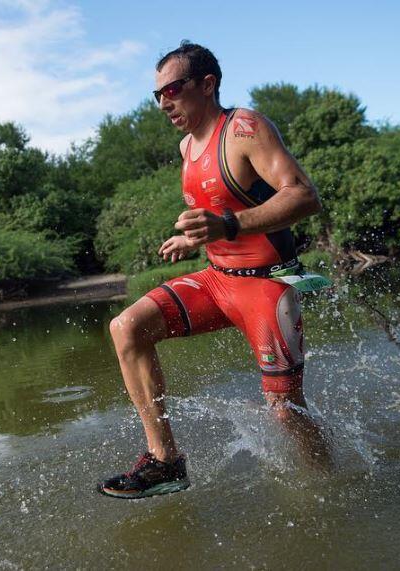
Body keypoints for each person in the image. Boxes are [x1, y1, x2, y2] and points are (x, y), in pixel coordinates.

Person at [98, 41, 328, 500]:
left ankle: (330, 487)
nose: (165, 101)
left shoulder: (245, 128)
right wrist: (194, 238)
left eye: (174, 89)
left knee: (284, 411)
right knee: (127, 327)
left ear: (207, 85)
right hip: (218, 280)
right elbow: (219, 213)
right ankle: (165, 463)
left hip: (267, 285)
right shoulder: (187, 147)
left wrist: (227, 224)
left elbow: (303, 196)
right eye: (157, 94)